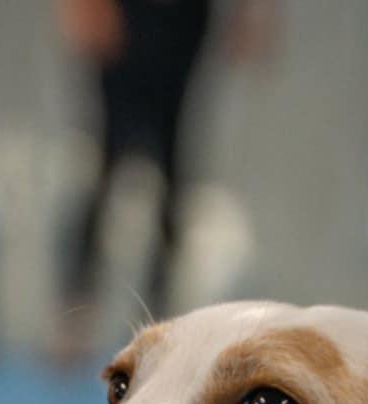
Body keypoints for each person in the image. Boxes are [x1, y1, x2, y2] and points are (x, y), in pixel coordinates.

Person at [54, 0, 273, 360]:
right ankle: (76, 311)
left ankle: (156, 318)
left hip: (185, 18)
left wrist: (251, 12)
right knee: (104, 158)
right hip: (126, 13)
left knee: (174, 166)